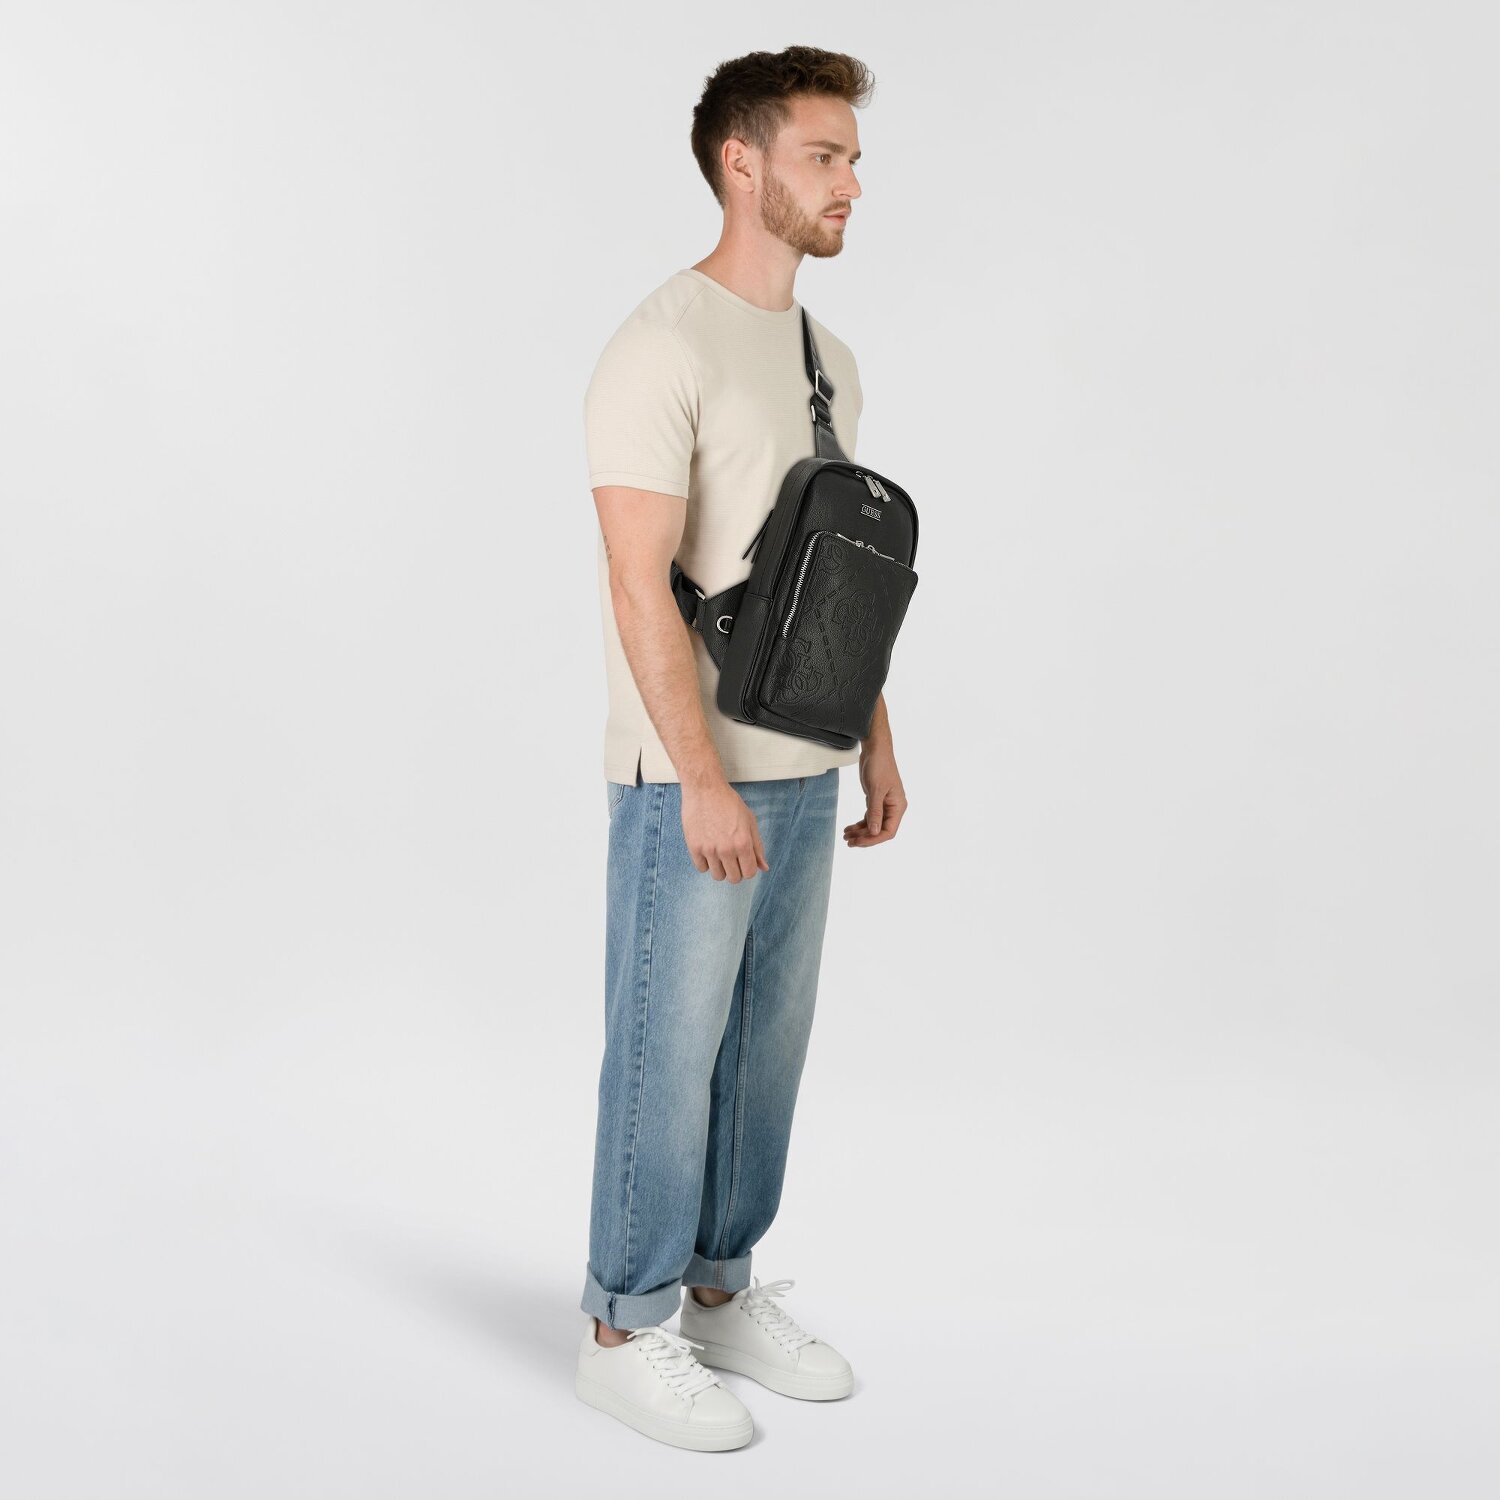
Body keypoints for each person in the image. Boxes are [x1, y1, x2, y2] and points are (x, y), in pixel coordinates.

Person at [574, 45, 909, 1452]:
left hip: (806, 768)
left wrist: (876, 738)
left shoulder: (828, 359)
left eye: (852, 158)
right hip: (689, 783)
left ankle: (719, 1289)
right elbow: (636, 582)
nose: (850, 182)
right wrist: (700, 778)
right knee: (667, 1056)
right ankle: (622, 1324)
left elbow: (837, 580)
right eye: (824, 156)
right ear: (742, 163)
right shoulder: (661, 345)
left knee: (764, 1057)